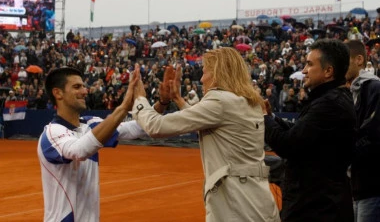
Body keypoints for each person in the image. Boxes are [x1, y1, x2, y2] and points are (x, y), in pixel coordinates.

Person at [131, 47, 280, 222]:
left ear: (217, 73)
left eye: (204, 72)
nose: (201, 79)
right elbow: (213, 123)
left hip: (236, 206)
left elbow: (156, 126)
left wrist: (139, 99)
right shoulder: (250, 101)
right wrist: (178, 99)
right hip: (259, 201)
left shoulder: (219, 100)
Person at [37, 67, 146, 222]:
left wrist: (161, 103)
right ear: (58, 93)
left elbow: (135, 129)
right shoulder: (51, 133)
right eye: (77, 87)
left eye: (83, 86)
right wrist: (122, 108)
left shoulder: (90, 123)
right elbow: (79, 151)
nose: (84, 91)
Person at [263, 39, 355, 222]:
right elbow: (300, 133)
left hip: (316, 208)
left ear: (328, 71)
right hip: (318, 204)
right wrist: (272, 118)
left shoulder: (329, 104)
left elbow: (288, 144)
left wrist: (262, 118)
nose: (304, 71)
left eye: (310, 64)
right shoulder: (330, 99)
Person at [345, 40, 380, 222]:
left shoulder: (374, 88)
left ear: (359, 60)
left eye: (345, 61)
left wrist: (346, 152)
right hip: (358, 186)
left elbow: (372, 134)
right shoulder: (351, 91)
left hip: (372, 186)